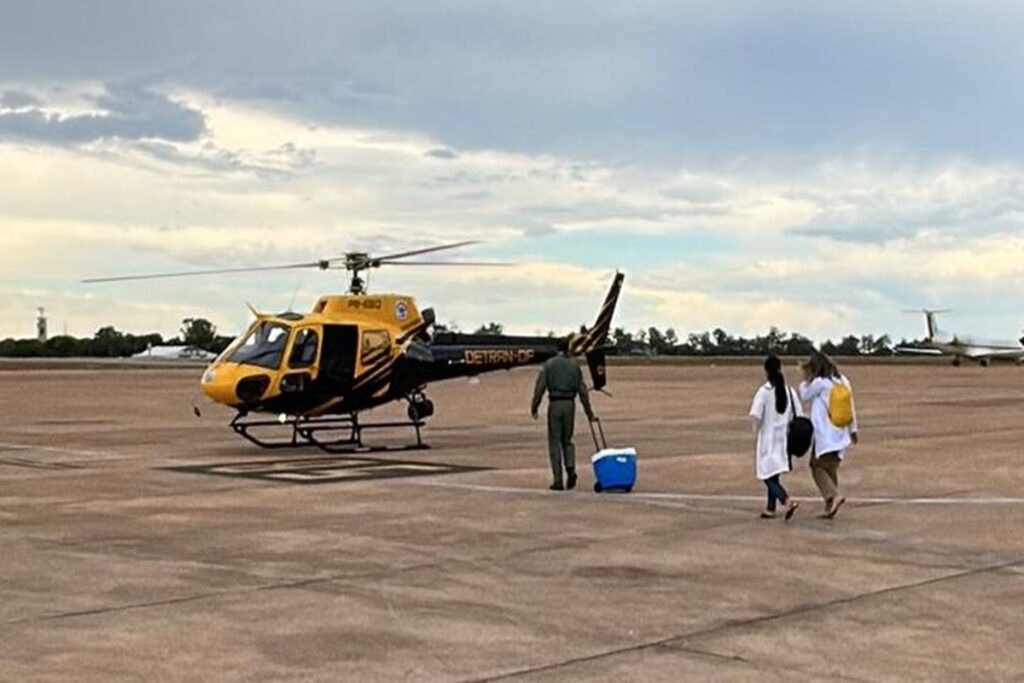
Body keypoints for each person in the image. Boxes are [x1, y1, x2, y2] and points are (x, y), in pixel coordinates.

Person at [531, 336, 596, 491]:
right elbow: (583, 392)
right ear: (569, 348)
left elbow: (540, 388)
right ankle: (571, 469)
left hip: (555, 404)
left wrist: (535, 405)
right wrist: (589, 413)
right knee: (567, 440)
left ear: (556, 349)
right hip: (570, 405)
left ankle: (558, 480)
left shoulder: (549, 365)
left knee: (554, 443)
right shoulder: (574, 366)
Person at [799, 352, 859, 518]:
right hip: (841, 430)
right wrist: (853, 429)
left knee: (816, 466)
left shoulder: (820, 383)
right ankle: (829, 507)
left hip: (825, 433)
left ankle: (833, 495)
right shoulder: (843, 381)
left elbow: (804, 396)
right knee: (830, 468)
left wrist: (806, 381)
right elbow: (851, 405)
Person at [749, 355, 801, 520]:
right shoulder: (790, 391)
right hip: (783, 439)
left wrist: (755, 430)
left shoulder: (765, 391)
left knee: (766, 475)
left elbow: (756, 415)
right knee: (773, 474)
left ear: (766, 371)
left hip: (768, 439)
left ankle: (786, 500)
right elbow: (798, 414)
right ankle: (770, 508)